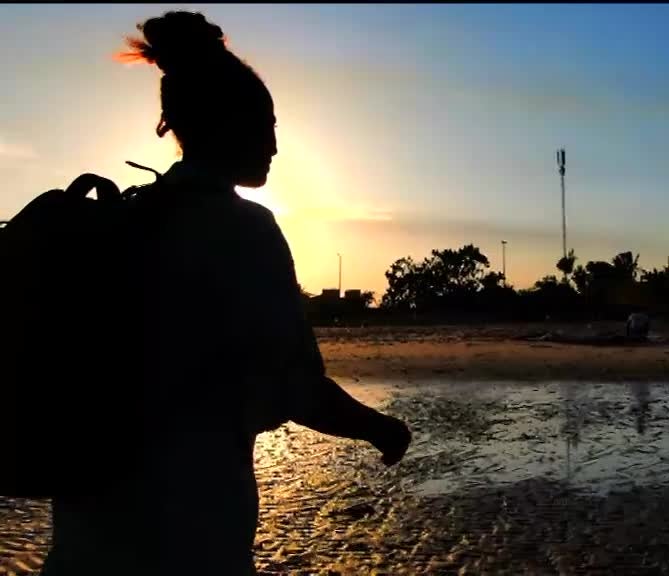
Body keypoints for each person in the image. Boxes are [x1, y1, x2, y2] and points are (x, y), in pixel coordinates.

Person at [41, 12, 411, 576]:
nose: (274, 147)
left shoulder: (117, 222)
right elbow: (296, 389)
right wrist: (382, 428)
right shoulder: (244, 230)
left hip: (82, 541)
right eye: (267, 126)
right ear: (229, 125)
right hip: (189, 539)